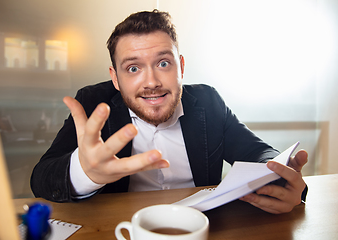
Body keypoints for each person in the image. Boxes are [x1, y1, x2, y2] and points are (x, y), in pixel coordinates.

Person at [31, 10, 308, 214]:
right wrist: (85, 171)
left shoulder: (208, 101)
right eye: (133, 68)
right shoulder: (93, 103)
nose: (151, 82)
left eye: (163, 63)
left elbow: (259, 154)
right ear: (115, 79)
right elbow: (41, 178)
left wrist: (287, 181)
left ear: (181, 67)